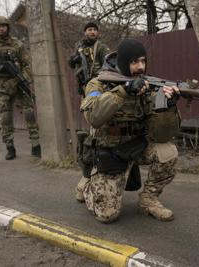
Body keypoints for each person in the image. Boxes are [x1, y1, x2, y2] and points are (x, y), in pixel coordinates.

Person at [79, 38, 181, 223]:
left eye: (143, 61)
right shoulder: (98, 84)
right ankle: (88, 183)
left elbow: (161, 135)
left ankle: (148, 200)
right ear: (123, 63)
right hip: (110, 152)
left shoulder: (149, 87)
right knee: (108, 215)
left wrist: (168, 107)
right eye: (134, 62)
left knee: (168, 151)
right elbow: (94, 117)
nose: (140, 67)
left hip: (136, 147)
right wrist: (124, 91)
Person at [0, 16, 41, 160]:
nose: (1, 28)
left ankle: (36, 145)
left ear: (7, 27)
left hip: (18, 82)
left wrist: (19, 79)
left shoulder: (18, 44)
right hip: (1, 85)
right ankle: (10, 147)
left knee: (29, 113)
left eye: (3, 26)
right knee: (5, 116)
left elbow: (27, 65)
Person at [68, 21, 110, 202]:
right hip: (85, 89)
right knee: (89, 120)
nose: (92, 32)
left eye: (94, 29)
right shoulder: (79, 47)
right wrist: (74, 61)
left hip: (99, 88)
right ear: (85, 32)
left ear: (98, 33)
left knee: (97, 120)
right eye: (89, 29)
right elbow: (72, 63)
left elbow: (110, 62)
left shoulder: (101, 47)